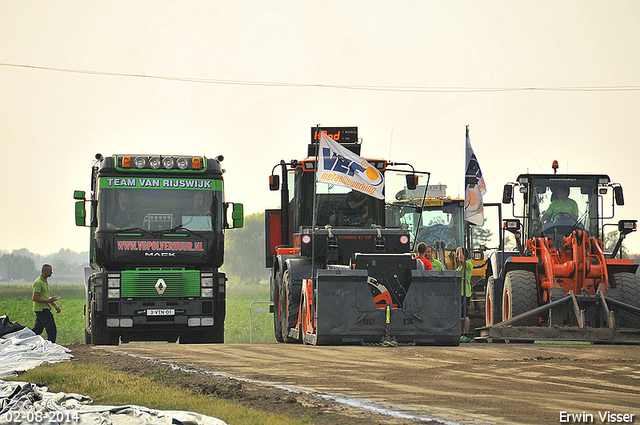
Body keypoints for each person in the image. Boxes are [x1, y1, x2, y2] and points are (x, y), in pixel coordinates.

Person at [31, 264, 60, 343]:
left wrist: (55, 306)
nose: (51, 272)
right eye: (50, 271)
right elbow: (35, 298)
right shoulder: (39, 282)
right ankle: (52, 345)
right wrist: (48, 301)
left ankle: (26, 340)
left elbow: (46, 297)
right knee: (51, 328)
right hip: (42, 309)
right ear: (44, 271)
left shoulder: (44, 282)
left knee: (37, 330)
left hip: (43, 308)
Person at [456, 247, 473, 342]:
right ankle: (461, 333)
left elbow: (461, 259)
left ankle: (466, 334)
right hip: (460, 293)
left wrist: (460, 250)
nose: (457, 256)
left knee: (465, 315)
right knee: (460, 315)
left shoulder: (468, 264)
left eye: (458, 254)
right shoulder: (460, 267)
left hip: (465, 293)